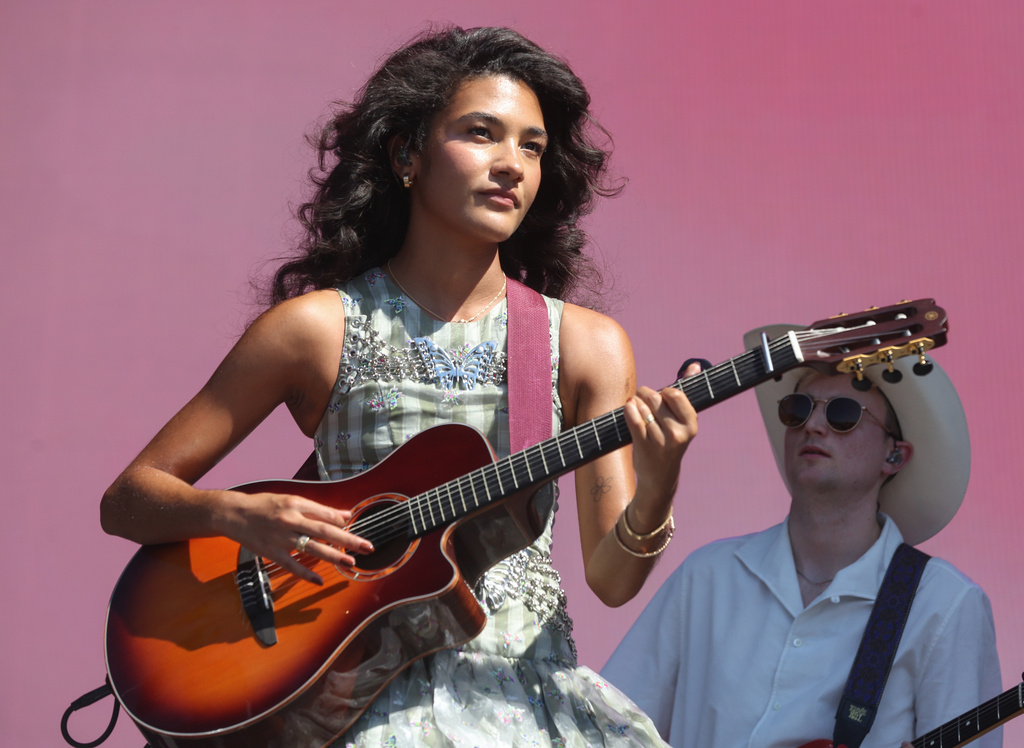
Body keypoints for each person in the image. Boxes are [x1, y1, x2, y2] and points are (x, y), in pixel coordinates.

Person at [101, 26, 699, 747]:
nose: (511, 164)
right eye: (482, 134)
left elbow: (611, 581)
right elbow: (130, 499)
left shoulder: (585, 344)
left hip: (520, 697)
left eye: (532, 146)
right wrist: (241, 519)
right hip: (348, 707)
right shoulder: (315, 330)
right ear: (407, 155)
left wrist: (659, 482)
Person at [602, 324, 1002, 748]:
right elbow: (606, 730)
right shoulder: (707, 575)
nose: (812, 425)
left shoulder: (944, 606)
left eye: (842, 414)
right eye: (797, 409)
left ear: (894, 454)